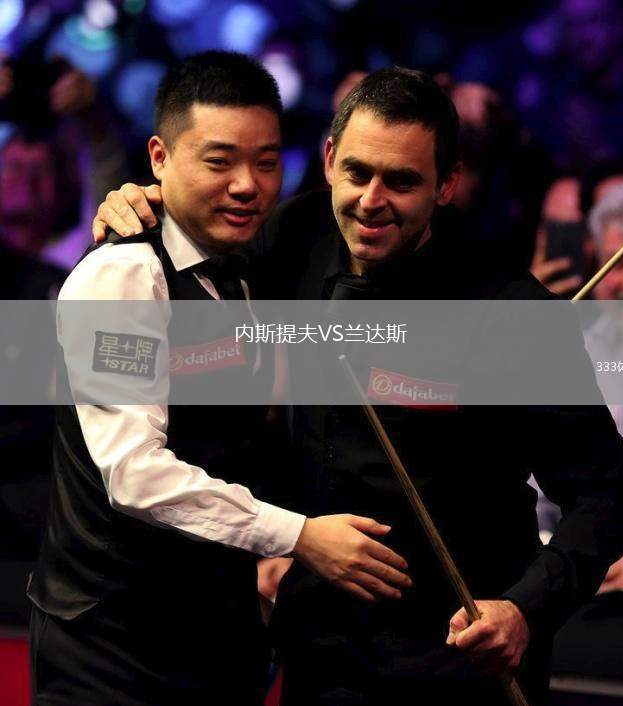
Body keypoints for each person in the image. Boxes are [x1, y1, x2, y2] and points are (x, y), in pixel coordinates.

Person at [93, 66, 623, 706]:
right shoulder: (296, 236)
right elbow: (196, 255)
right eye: (357, 173)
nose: (371, 200)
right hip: (318, 647)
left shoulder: (510, 312)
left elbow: (606, 498)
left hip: (459, 657)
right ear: (329, 160)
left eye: (401, 181)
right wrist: (145, 203)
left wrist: (525, 610)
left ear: (447, 184)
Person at [29, 51, 411, 706]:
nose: (246, 185)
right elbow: (135, 475)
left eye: (266, 162)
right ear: (159, 158)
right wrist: (299, 536)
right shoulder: (122, 278)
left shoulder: (246, 266)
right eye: (219, 161)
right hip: (112, 653)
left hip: (214, 641)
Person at [536, 180, 623, 683]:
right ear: (596, 262)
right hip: (578, 588)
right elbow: (537, 504)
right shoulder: (568, 354)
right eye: (619, 265)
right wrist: (568, 561)